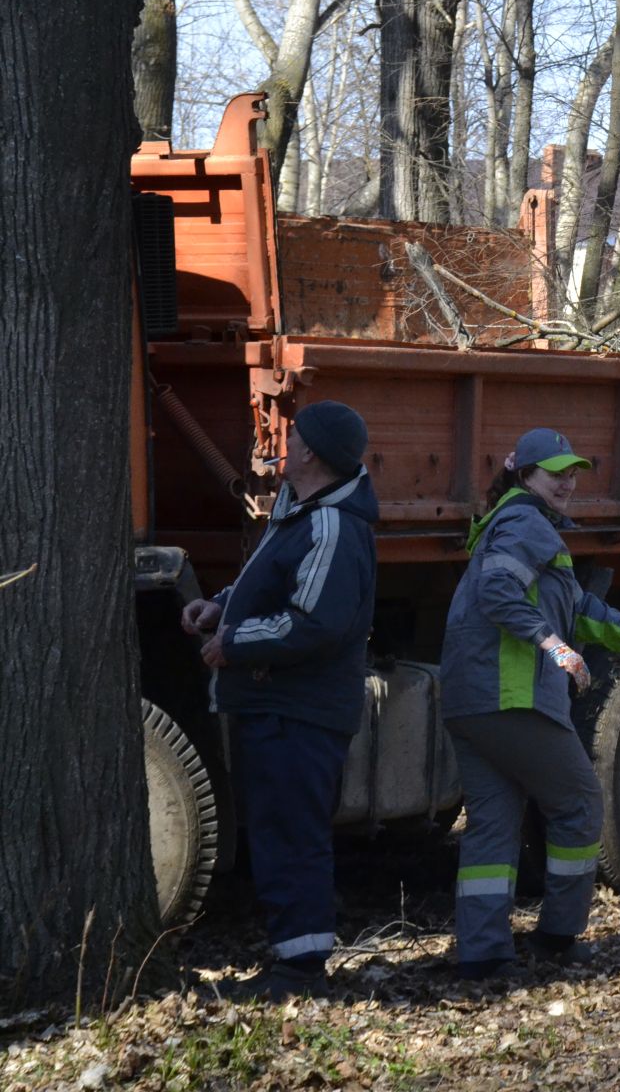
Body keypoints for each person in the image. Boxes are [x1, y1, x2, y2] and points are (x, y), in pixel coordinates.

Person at [440, 428, 620, 980]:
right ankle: (557, 935)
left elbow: (579, 607)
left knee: (493, 825)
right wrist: (554, 646)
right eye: (555, 473)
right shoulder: (525, 522)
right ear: (523, 475)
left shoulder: (520, 524)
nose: (568, 482)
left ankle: (483, 954)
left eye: (573, 473)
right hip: (511, 696)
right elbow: (498, 593)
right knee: (578, 805)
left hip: (471, 701)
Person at [179, 400, 378, 1002]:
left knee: (292, 837)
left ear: (312, 451)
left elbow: (312, 622)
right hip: (279, 708)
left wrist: (233, 642)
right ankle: (294, 961)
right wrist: (221, 603)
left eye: (292, 434)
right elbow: (273, 579)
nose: (283, 439)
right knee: (277, 832)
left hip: (300, 713)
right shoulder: (302, 512)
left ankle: (299, 972)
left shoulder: (331, 527)